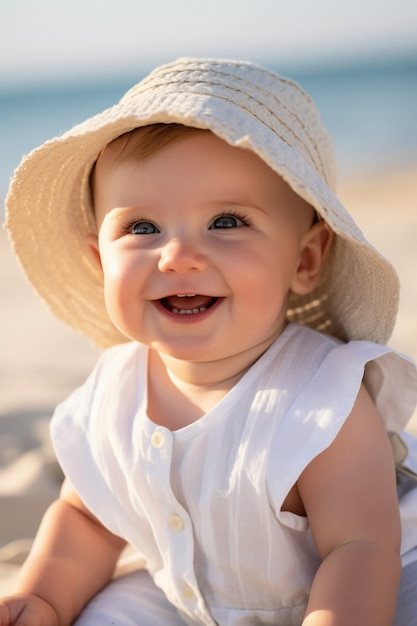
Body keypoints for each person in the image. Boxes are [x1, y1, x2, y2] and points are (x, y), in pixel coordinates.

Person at [2, 57, 417, 626]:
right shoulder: (110, 395)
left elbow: (360, 548)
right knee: (109, 608)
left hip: (370, 585)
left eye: (226, 221)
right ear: (100, 262)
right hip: (196, 594)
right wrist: (45, 595)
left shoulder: (325, 400)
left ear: (305, 259)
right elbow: (86, 518)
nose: (178, 256)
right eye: (142, 228)